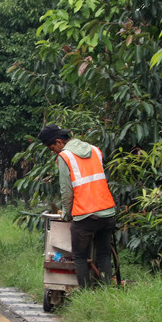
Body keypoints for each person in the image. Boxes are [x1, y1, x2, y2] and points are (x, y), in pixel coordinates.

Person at [38, 123, 117, 289]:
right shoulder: (95, 150)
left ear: (59, 142)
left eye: (52, 148)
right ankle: (106, 293)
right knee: (103, 255)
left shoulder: (65, 157)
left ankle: (85, 295)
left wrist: (66, 214)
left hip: (85, 216)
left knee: (80, 256)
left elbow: (67, 192)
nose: (54, 152)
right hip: (107, 211)